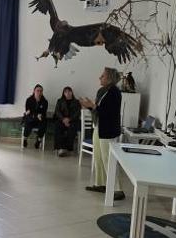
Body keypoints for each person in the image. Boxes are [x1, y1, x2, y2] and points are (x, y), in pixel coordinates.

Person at [80, 68, 124, 200]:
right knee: (98, 157)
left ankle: (118, 189)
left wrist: (92, 106)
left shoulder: (114, 92)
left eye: (103, 76)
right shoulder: (102, 91)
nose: (100, 77)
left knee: (108, 159)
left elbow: (109, 112)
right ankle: (101, 184)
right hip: (98, 126)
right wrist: (89, 105)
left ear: (110, 78)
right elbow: (98, 110)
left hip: (108, 130)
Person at [53, 86, 81, 156]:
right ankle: (60, 148)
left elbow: (77, 113)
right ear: (63, 93)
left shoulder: (76, 102)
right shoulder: (60, 101)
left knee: (72, 128)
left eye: (69, 91)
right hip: (61, 120)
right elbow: (57, 111)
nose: (68, 93)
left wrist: (69, 119)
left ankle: (68, 148)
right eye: (66, 92)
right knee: (57, 127)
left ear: (72, 92)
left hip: (72, 120)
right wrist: (63, 119)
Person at [22, 84, 48, 149]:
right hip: (31, 118)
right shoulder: (29, 100)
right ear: (34, 91)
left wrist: (39, 115)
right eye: (37, 91)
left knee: (44, 123)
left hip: (40, 119)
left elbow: (43, 112)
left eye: (41, 91)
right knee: (28, 122)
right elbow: (28, 112)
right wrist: (36, 115)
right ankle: (25, 139)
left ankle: (38, 140)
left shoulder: (45, 101)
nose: (39, 92)